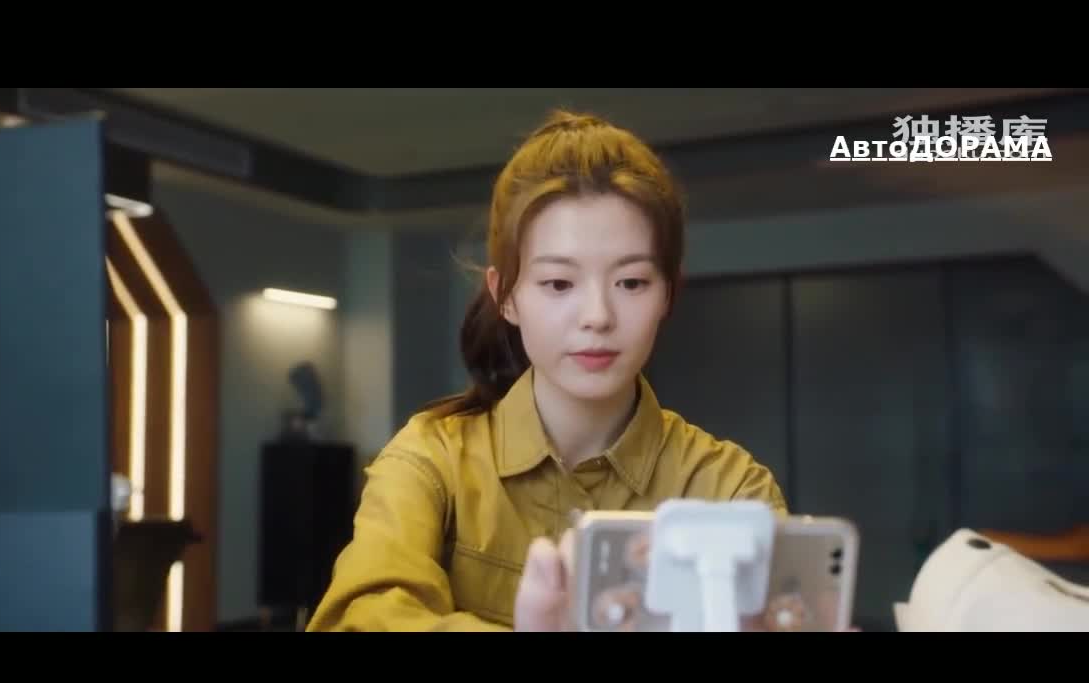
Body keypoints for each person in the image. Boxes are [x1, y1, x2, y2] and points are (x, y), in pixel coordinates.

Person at [305, 109, 788, 632]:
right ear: (506, 296)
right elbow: (359, 617)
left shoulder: (728, 488)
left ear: (668, 293)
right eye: (559, 284)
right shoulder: (431, 460)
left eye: (631, 283)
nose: (597, 317)